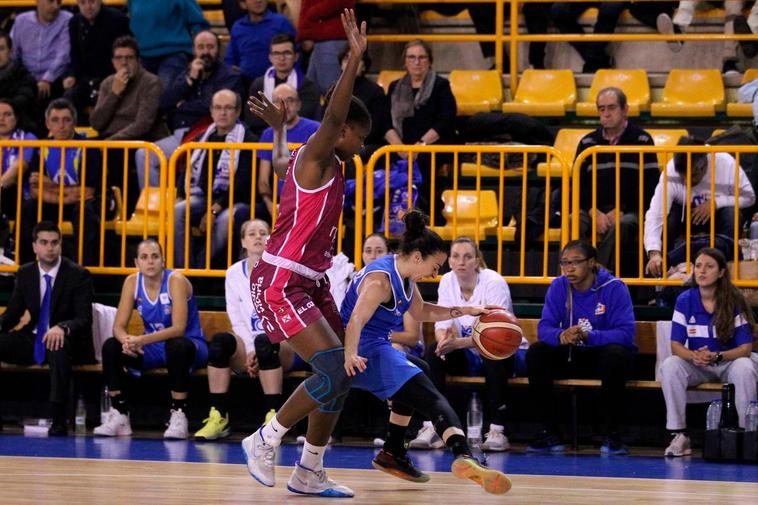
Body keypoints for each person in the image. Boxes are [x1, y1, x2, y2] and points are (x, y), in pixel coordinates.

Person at [241, 9, 370, 497]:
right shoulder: (321, 148)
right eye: (360, 135)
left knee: (343, 371)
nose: (362, 143)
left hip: (310, 279)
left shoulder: (311, 160)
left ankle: (309, 470)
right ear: (342, 132)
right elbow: (335, 115)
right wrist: (353, 61)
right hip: (281, 279)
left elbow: (277, 165)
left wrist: (277, 130)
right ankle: (265, 438)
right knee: (333, 367)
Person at [341, 210, 511, 495]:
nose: (437, 272)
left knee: (421, 367)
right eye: (436, 265)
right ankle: (463, 454)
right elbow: (355, 319)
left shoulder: (405, 277)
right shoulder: (381, 280)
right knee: (428, 393)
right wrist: (349, 356)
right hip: (361, 350)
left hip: (373, 345)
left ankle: (393, 450)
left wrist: (466, 310)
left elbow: (421, 311)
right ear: (418, 257)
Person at [410, 236, 524, 453]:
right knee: (435, 353)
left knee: (492, 354)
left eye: (468, 256)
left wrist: (457, 343)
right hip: (467, 352)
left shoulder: (493, 282)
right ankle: (436, 427)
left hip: (505, 351)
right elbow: (443, 322)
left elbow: (498, 334)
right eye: (456, 256)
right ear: (449, 261)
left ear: (477, 260)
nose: (461, 261)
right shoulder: (447, 281)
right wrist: (444, 340)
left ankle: (496, 430)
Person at [527, 240, 636, 455]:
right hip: (571, 355)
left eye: (576, 262)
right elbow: (544, 328)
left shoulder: (614, 287)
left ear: (592, 262)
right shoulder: (559, 286)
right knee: (537, 353)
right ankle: (549, 432)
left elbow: (625, 334)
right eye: (565, 263)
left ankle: (611, 435)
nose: (569, 268)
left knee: (615, 355)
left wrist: (590, 336)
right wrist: (561, 335)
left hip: (601, 357)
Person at [194, 219, 299, 440]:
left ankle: (274, 420)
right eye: (251, 233)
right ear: (243, 241)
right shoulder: (233, 273)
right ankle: (218, 416)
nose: (258, 237)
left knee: (265, 342)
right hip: (249, 345)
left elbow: (286, 316)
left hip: (283, 342)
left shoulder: (284, 270)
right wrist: (251, 349)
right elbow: (236, 317)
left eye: (263, 233)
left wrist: (258, 347)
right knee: (221, 341)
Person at [94, 238, 208, 439]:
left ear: (163, 260)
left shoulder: (176, 281)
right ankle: (119, 413)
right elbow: (118, 327)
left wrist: (141, 341)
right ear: (136, 262)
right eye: (144, 257)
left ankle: (179, 413)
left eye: (155, 256)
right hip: (154, 347)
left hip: (191, 345)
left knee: (176, 346)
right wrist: (127, 341)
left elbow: (179, 329)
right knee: (111, 346)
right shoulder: (131, 282)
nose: (150, 261)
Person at [661, 247, 758, 457]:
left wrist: (717, 356)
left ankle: (746, 435)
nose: (702, 271)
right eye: (698, 266)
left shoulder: (734, 299)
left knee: (745, 367)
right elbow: (676, 345)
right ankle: (678, 434)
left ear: (722, 272)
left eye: (709, 266)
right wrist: (695, 356)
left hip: (727, 361)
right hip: (700, 364)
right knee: (670, 365)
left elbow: (745, 349)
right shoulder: (685, 300)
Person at [0, 221, 94, 436]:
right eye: (44, 242)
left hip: (67, 340)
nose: (49, 248)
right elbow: (12, 314)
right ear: (35, 246)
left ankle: (59, 419)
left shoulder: (78, 274)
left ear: (60, 244)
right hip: (33, 337)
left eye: (54, 242)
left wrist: (63, 328)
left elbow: (83, 318)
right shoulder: (25, 273)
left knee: (56, 345)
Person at [136, 30, 243, 190]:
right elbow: (165, 102)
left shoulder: (229, 75)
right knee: (144, 154)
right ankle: (154, 210)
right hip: (181, 136)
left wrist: (183, 106)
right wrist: (190, 79)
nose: (205, 52)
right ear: (194, 50)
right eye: (201, 47)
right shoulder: (187, 72)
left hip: (210, 135)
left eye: (210, 47)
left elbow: (213, 106)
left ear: (218, 50)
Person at [574, 87, 659, 276]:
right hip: (593, 208)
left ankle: (600, 278)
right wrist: (592, 210)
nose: (606, 113)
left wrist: (621, 209)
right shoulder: (587, 142)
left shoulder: (642, 140)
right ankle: (570, 280)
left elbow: (650, 186)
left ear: (625, 109)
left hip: (631, 209)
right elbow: (577, 185)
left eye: (611, 108)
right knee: (573, 222)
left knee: (622, 225)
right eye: (601, 109)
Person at [644, 137, 756, 278]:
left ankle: (725, 271)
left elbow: (749, 197)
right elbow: (655, 213)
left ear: (705, 166)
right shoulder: (671, 169)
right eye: (682, 176)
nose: (686, 181)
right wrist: (654, 252)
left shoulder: (726, 163)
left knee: (731, 214)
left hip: (718, 218)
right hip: (685, 217)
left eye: (692, 176)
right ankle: (663, 272)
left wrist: (715, 203)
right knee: (669, 216)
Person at [173, 89, 255, 269]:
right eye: (218, 108)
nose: (222, 113)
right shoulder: (203, 137)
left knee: (226, 219)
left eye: (228, 108)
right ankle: (183, 269)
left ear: (238, 111)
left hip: (235, 200)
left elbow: (243, 184)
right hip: (204, 197)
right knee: (178, 210)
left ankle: (200, 268)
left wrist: (214, 210)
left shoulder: (247, 140)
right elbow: (187, 170)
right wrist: (180, 194)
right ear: (211, 111)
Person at [19, 98, 103, 266]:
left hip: (79, 205)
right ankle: (24, 269)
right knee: (28, 207)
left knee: (85, 212)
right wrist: (64, 197)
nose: (61, 125)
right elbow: (36, 190)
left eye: (66, 120)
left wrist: (51, 185)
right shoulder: (40, 147)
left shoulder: (89, 147)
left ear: (74, 123)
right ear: (47, 124)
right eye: (55, 120)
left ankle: (85, 271)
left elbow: (86, 193)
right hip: (53, 203)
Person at [384, 39, 457, 215]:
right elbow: (384, 121)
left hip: (432, 145)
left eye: (422, 58)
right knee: (380, 157)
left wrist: (421, 145)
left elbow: (445, 119)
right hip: (401, 145)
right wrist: (399, 147)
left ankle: (424, 213)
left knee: (422, 162)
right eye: (412, 57)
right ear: (405, 61)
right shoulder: (395, 87)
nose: (417, 62)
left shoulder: (440, 85)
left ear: (429, 61)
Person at [256, 83, 320, 219]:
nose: (285, 106)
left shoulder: (315, 129)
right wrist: (270, 205)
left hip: (308, 198)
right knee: (242, 213)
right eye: (278, 102)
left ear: (299, 104)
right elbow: (263, 180)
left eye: (290, 101)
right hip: (277, 201)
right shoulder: (267, 134)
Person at [89, 36, 166, 142]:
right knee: (82, 151)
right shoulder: (107, 83)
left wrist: (111, 142)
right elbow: (96, 124)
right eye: (119, 58)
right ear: (113, 62)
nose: (124, 62)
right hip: (109, 139)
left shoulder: (151, 82)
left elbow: (142, 125)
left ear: (138, 61)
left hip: (138, 140)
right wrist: (114, 94)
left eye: (129, 57)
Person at [62, 0, 131, 118]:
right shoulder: (75, 23)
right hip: (86, 79)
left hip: (113, 78)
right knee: (68, 98)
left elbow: (128, 52)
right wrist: (71, 75)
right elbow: (75, 55)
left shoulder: (117, 19)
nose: (88, 7)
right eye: (83, 3)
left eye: (92, 2)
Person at [126, 0, 209, 97]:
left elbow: (198, 22)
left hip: (174, 53)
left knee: (166, 97)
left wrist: (200, 50)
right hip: (142, 55)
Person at [243, 33, 321, 135]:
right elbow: (252, 118)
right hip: (265, 136)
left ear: (296, 56)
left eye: (287, 53)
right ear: (270, 57)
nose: (281, 58)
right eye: (276, 53)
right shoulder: (258, 85)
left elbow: (305, 116)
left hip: (299, 137)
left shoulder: (307, 86)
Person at [10, 0, 72, 102]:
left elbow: (64, 55)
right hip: (26, 77)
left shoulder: (67, 19)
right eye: (51, 1)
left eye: (59, 2)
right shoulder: (21, 21)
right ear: (38, 1)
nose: (55, 6)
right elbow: (13, 52)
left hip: (56, 78)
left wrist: (47, 78)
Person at [225, 0, 296, 88]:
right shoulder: (237, 27)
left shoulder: (281, 23)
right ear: (243, 4)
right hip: (245, 84)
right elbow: (230, 60)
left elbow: (296, 53)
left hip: (278, 83)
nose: (258, 1)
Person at [297, 0, 351, 95]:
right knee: (309, 90)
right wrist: (305, 33)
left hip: (332, 37)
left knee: (331, 91)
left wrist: (313, 12)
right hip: (322, 37)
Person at [0, 98, 38, 220]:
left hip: (18, 196)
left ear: (16, 118)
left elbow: (18, 168)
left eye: (7, 114)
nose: (1, 119)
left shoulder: (28, 138)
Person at [0, 31, 39, 132]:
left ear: (10, 51)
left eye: (1, 49)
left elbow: (25, 98)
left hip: (19, 127)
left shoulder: (23, 75)